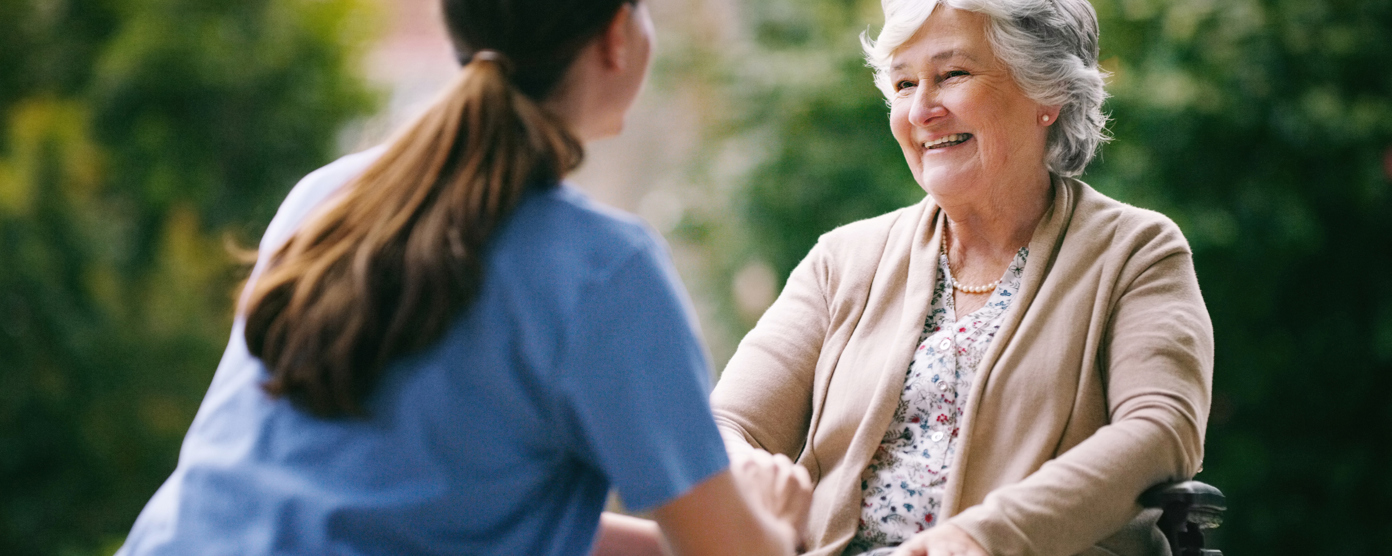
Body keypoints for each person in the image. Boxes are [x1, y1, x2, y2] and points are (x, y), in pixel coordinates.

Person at [114, 0, 810, 554]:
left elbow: (427, 516)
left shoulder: (327, 198)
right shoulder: (604, 271)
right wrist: (772, 521)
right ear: (615, 38)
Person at [710, 0, 1213, 555]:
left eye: (952, 75)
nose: (922, 110)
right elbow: (730, 424)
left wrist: (983, 537)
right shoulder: (842, 260)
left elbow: (1161, 432)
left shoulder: (1136, 252)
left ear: (1047, 93)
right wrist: (752, 476)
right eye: (903, 85)